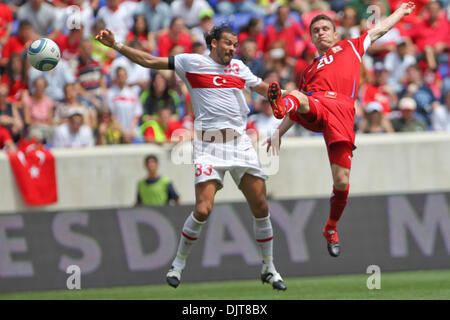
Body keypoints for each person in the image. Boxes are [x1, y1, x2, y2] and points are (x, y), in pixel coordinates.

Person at [96, 25, 287, 290]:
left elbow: (266, 89)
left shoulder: (239, 68)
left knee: (261, 207)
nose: (233, 48)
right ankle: (178, 264)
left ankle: (269, 267)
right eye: (228, 43)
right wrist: (116, 45)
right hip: (208, 145)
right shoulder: (191, 62)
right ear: (214, 43)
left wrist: (284, 95)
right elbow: (149, 60)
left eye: (235, 44)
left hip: (240, 144)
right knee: (202, 209)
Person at [266, 2, 416, 258]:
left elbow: (379, 30)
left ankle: (331, 227)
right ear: (311, 37)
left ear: (336, 34)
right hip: (317, 105)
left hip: (342, 112)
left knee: (342, 182)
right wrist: (279, 132)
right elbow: (300, 105)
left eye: (326, 28)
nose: (321, 32)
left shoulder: (351, 47)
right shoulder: (308, 70)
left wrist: (400, 13)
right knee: (296, 95)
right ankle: (279, 104)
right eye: (316, 30)